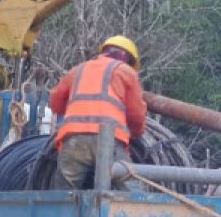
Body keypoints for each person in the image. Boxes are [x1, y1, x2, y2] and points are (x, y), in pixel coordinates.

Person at [48, 36, 147, 190]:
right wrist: (136, 133)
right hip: (110, 141)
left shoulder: (78, 70)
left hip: (74, 141)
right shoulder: (127, 72)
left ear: (104, 52)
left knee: (63, 196)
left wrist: (72, 112)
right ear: (129, 60)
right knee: (130, 194)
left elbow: (55, 101)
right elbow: (136, 114)